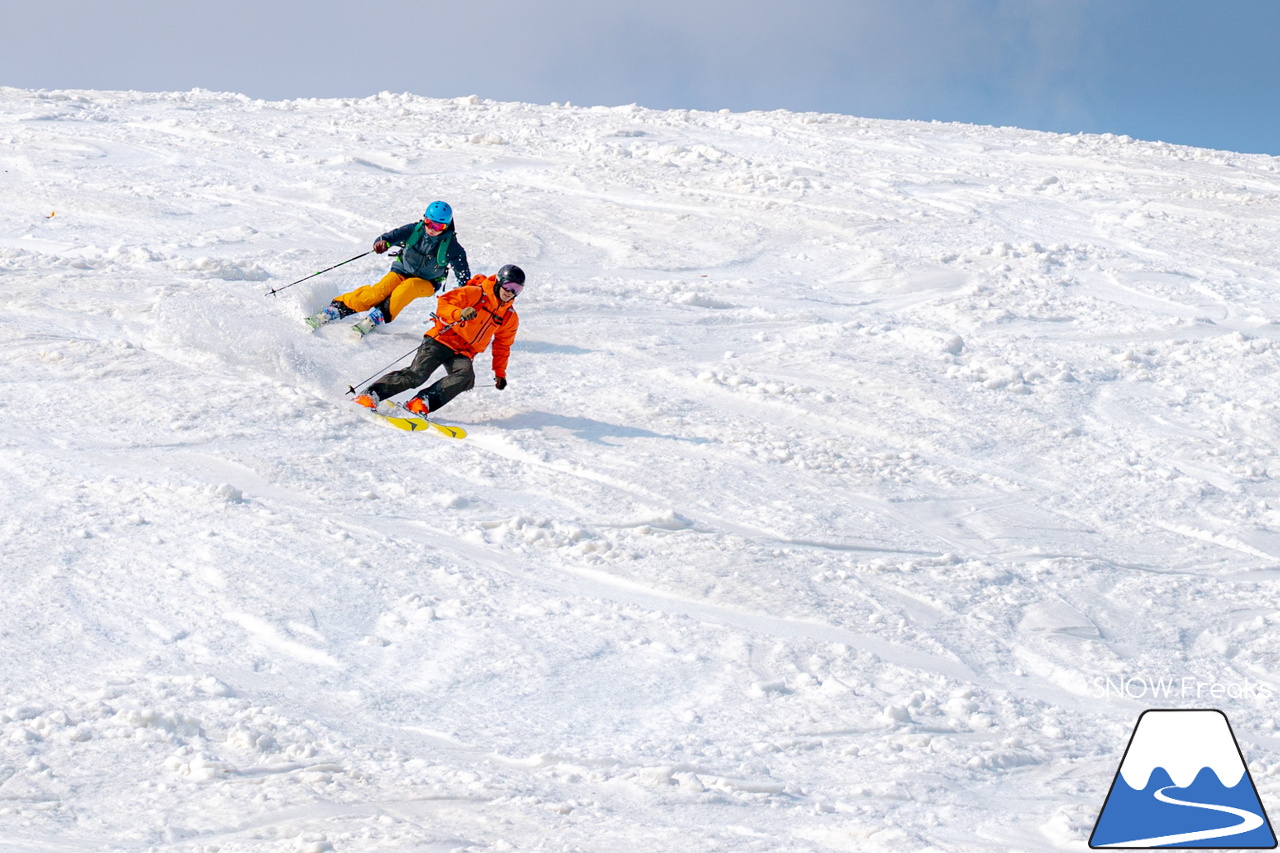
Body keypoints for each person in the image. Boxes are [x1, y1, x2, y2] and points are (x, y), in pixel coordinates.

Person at [354, 264, 526, 417]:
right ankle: (371, 394)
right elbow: (444, 303)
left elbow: (503, 345)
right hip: (442, 339)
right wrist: (459, 313)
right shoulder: (476, 293)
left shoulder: (509, 316)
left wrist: (500, 373)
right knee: (417, 375)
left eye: (516, 290)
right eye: (508, 286)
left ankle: (422, 402)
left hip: (463, 351)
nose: (510, 292)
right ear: (498, 281)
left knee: (465, 377)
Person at [306, 200, 471, 336]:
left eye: (439, 227)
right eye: (429, 223)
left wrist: (466, 295)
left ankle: (377, 316)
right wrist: (382, 243)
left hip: (427, 282)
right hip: (402, 271)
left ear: (447, 227)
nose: (432, 230)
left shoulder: (452, 247)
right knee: (378, 291)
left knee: (407, 289)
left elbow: (463, 274)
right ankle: (337, 309)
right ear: (424, 219)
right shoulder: (414, 230)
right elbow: (389, 237)